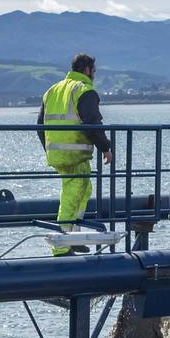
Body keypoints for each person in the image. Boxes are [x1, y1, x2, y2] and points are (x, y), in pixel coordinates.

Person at [37, 53, 113, 255]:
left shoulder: (52, 90)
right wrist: (105, 147)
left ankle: (74, 235)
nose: (94, 75)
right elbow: (93, 124)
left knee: (84, 189)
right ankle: (61, 246)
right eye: (94, 71)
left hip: (58, 152)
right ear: (87, 70)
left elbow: (39, 125)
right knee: (72, 194)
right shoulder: (84, 90)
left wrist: (50, 148)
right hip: (75, 153)